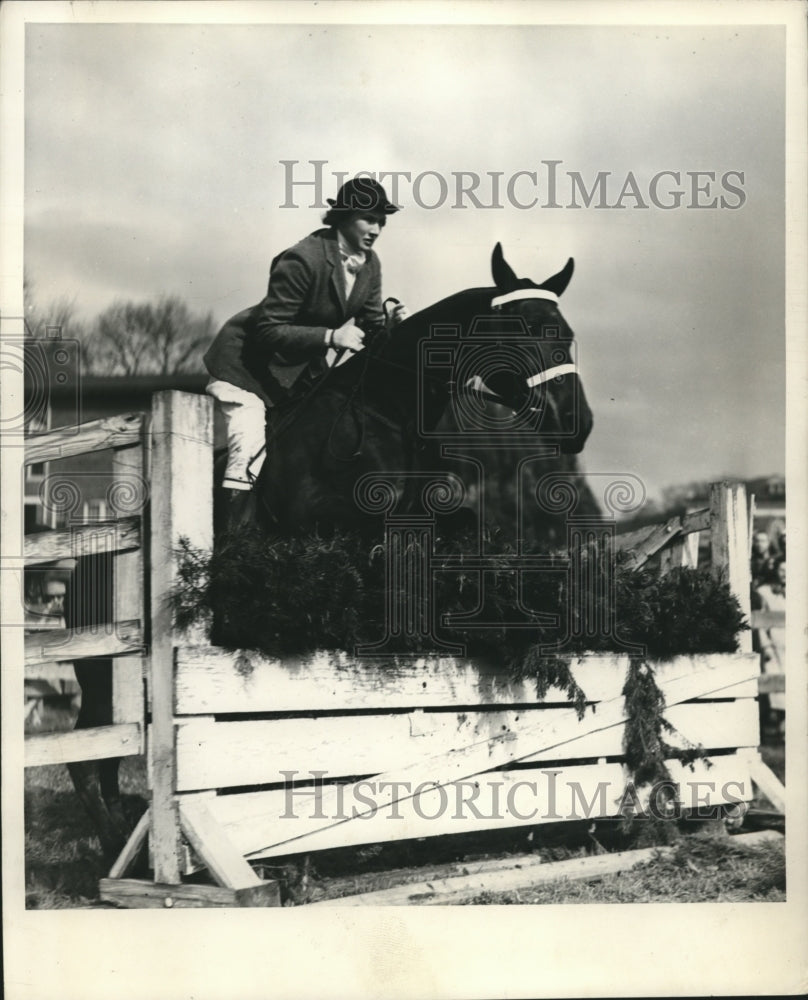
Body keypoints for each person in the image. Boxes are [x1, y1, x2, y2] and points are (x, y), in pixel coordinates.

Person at [203, 177, 408, 528]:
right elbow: (268, 330)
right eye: (369, 219)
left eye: (381, 221)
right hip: (246, 368)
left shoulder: (369, 264)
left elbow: (370, 327)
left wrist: (390, 326)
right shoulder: (302, 259)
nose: (376, 228)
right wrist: (331, 336)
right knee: (249, 448)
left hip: (297, 371)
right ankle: (234, 544)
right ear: (343, 217)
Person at [754, 558, 786, 728]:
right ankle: (779, 727)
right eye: (782, 570)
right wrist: (765, 645)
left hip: (793, 646)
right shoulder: (765, 592)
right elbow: (760, 624)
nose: (785, 574)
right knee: (777, 689)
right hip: (774, 646)